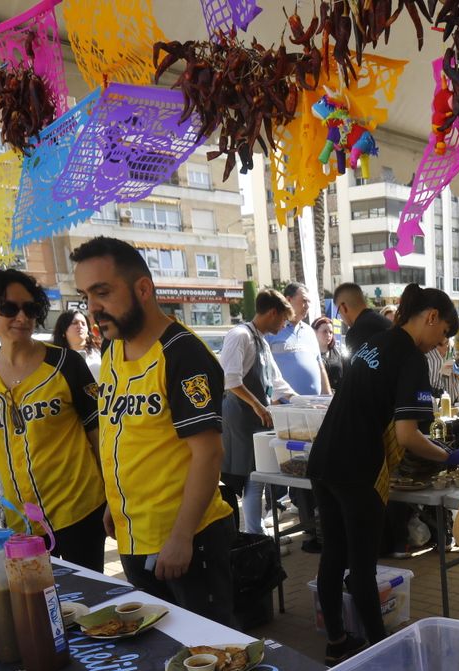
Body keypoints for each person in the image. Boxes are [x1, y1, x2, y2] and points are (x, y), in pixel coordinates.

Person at [71, 237, 235, 624]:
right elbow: (122, 433)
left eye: (103, 292)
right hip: (133, 533)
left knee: (214, 649)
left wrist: (181, 537)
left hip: (187, 538)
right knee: (157, 642)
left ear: (143, 288)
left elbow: (208, 454)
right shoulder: (113, 350)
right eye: (86, 296)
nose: (93, 308)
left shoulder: (183, 354)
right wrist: (116, 503)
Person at [306, 284, 459, 664]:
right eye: (444, 332)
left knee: (333, 553)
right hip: (355, 464)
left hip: (325, 456)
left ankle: (336, 641)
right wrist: (448, 457)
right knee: (362, 564)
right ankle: (380, 650)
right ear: (431, 317)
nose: (439, 343)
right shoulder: (411, 358)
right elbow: (407, 435)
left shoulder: (376, 342)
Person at [0, 268, 107, 571]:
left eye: (30, 308)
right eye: (8, 308)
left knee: (86, 601)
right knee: (33, 598)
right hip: (19, 517)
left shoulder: (65, 363)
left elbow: (97, 434)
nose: (21, 317)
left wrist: (114, 496)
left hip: (79, 509)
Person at [219, 289, 294, 537]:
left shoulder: (260, 340)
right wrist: (258, 406)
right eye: (283, 318)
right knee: (247, 476)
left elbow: (278, 382)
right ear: (272, 312)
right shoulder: (239, 335)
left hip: (258, 417)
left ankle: (256, 533)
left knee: (257, 477)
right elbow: (231, 380)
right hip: (240, 417)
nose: (284, 325)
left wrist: (303, 402)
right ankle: (251, 535)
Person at [268, 282, 328, 548]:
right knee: (296, 466)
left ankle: (317, 524)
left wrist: (327, 396)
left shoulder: (308, 332)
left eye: (308, 300)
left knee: (315, 466)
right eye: (303, 300)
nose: (307, 305)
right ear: (288, 300)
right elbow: (266, 371)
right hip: (288, 413)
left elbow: (318, 365)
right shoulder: (273, 331)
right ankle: (306, 524)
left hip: (315, 411)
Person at [334, 282, 392, 356]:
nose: (341, 317)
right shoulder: (386, 322)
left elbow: (356, 367)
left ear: (343, 307)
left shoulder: (355, 333)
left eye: (339, 312)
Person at [52, 308, 101, 379]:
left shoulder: (100, 351)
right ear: (63, 330)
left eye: (83, 324)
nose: (80, 326)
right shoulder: (55, 358)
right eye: (75, 323)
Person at [313, 315, 345, 391]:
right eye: (325, 331)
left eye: (331, 332)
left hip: (338, 397)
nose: (329, 335)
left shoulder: (338, 352)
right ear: (315, 332)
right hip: (318, 399)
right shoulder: (310, 354)